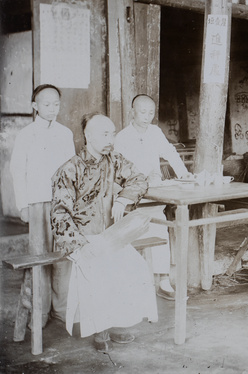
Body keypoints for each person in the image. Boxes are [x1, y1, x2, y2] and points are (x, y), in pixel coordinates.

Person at [51, 113, 157, 352]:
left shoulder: (115, 161)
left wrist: (122, 199)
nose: (110, 139)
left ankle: (118, 323)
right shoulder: (69, 169)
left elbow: (139, 179)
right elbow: (59, 213)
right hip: (85, 239)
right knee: (100, 276)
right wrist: (78, 247)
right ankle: (101, 331)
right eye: (104, 134)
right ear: (88, 135)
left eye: (112, 133)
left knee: (135, 269)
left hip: (112, 236)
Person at [114, 94, 193, 300]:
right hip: (133, 192)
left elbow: (169, 152)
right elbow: (120, 168)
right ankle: (136, 284)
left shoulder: (155, 132)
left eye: (151, 112)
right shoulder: (122, 137)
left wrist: (182, 172)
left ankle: (163, 282)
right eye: (142, 112)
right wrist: (142, 176)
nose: (147, 116)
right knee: (135, 233)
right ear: (132, 111)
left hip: (154, 190)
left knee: (160, 229)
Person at [9, 84, 75, 326]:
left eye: (56, 104)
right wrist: (23, 205)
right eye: (46, 104)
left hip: (62, 203)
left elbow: (71, 169)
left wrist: (72, 201)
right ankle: (40, 311)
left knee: (64, 255)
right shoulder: (27, 134)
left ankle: (62, 308)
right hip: (37, 202)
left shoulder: (65, 133)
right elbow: (17, 170)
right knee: (40, 257)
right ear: (35, 106)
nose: (52, 109)